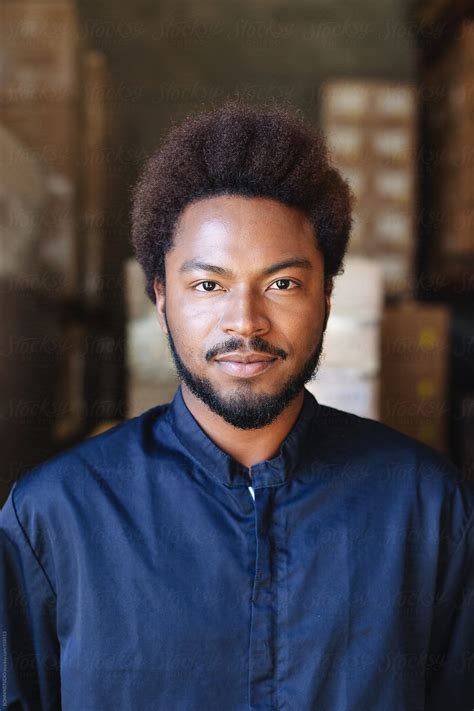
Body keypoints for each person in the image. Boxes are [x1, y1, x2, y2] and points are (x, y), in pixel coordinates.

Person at [1, 100, 473, 711]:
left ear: (327, 297)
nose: (245, 322)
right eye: (208, 285)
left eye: (282, 283)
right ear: (160, 295)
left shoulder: (425, 506)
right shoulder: (55, 517)